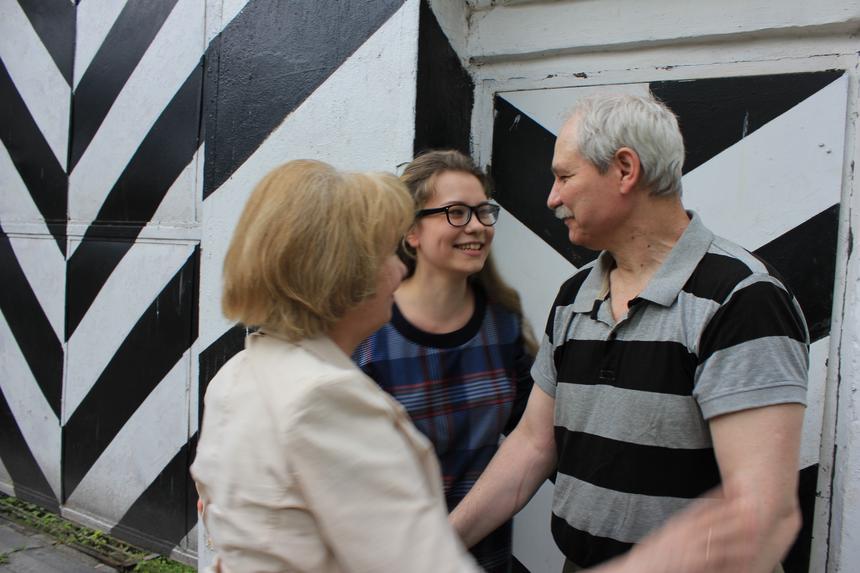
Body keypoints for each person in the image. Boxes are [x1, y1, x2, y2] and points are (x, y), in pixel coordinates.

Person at [449, 93, 809, 573]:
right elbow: (533, 444)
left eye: (564, 176)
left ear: (624, 169)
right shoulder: (575, 294)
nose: (552, 198)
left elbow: (762, 514)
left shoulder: (742, 299)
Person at [190, 160, 482, 572]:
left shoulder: (238, 373)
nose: (401, 270)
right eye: (387, 254)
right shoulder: (323, 398)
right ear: (342, 273)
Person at [353, 150, 536, 573]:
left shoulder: (502, 324)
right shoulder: (367, 333)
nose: (476, 226)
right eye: (455, 212)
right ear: (411, 231)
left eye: (483, 211)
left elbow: (536, 437)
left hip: (485, 562)